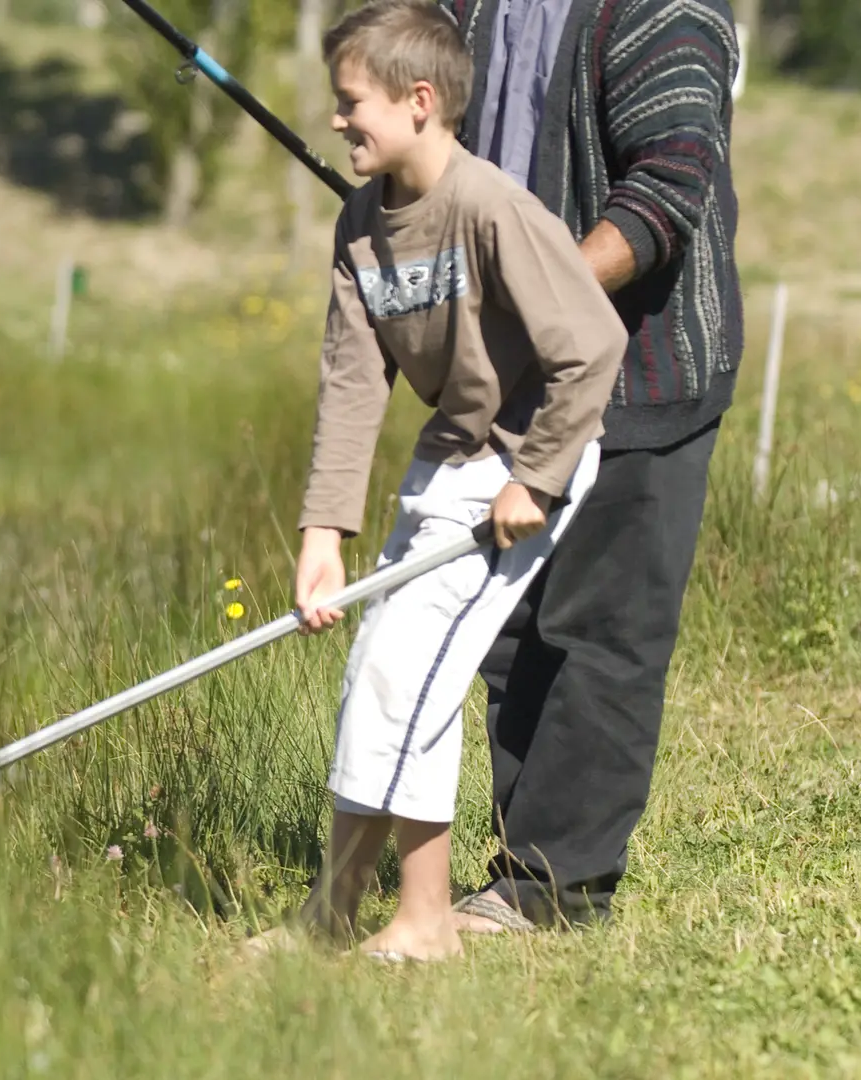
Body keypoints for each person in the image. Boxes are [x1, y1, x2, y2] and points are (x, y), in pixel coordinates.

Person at [282, 0, 628, 962]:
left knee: (416, 676)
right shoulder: (361, 224)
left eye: (352, 102)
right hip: (450, 458)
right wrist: (323, 535)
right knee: (373, 675)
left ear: (420, 100)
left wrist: (540, 477)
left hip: (526, 461)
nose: (339, 119)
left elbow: (592, 346)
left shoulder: (490, 207)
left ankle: (426, 924)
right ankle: (333, 914)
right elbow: (353, 385)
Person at [440, 0, 745, 935]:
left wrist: (543, 296)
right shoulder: (468, 7)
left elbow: (667, 188)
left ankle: (557, 890)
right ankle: (526, 868)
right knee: (512, 633)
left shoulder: (667, 11)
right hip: (514, 375)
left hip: (643, 371)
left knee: (601, 632)